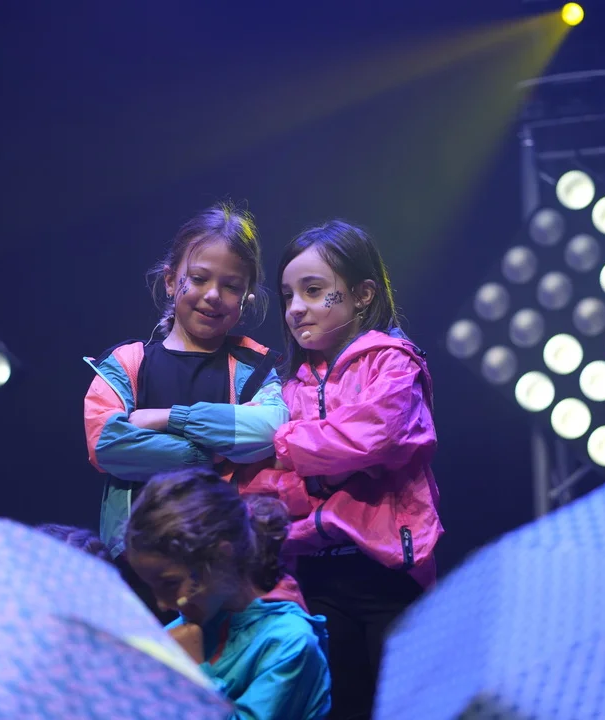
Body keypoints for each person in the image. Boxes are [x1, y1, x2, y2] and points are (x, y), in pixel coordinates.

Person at [240, 220, 442, 720]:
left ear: (362, 295)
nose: (295, 308)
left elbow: (375, 436)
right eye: (288, 295)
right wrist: (314, 471)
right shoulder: (286, 387)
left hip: (390, 572)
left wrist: (285, 446)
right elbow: (265, 481)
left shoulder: (394, 364)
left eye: (313, 291)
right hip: (314, 573)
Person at [82, 203, 288, 561]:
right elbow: (106, 443)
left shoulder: (253, 366)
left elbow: (270, 429)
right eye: (199, 278)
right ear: (170, 281)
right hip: (139, 559)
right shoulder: (126, 363)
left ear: (246, 297)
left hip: (223, 560)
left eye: (231, 286)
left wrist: (169, 419)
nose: (213, 295)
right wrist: (207, 455)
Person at [126, 468, 332, 720]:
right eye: (151, 586)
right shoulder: (180, 632)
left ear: (222, 556)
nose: (161, 604)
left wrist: (191, 676)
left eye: (170, 583)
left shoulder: (290, 642)